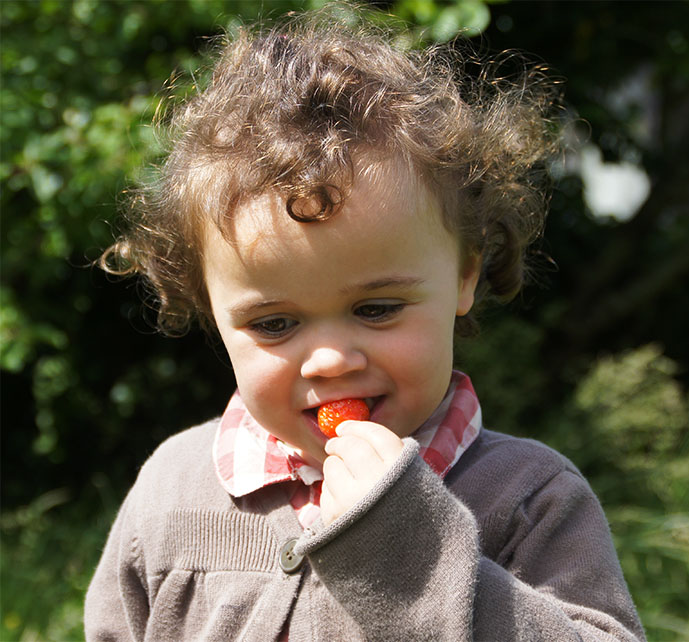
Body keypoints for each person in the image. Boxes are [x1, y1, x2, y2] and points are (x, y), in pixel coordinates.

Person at [85, 5, 646, 641]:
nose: (329, 360)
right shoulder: (171, 489)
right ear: (213, 309)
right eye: (273, 323)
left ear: (466, 274)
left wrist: (405, 545)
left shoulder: (528, 500)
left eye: (376, 309)